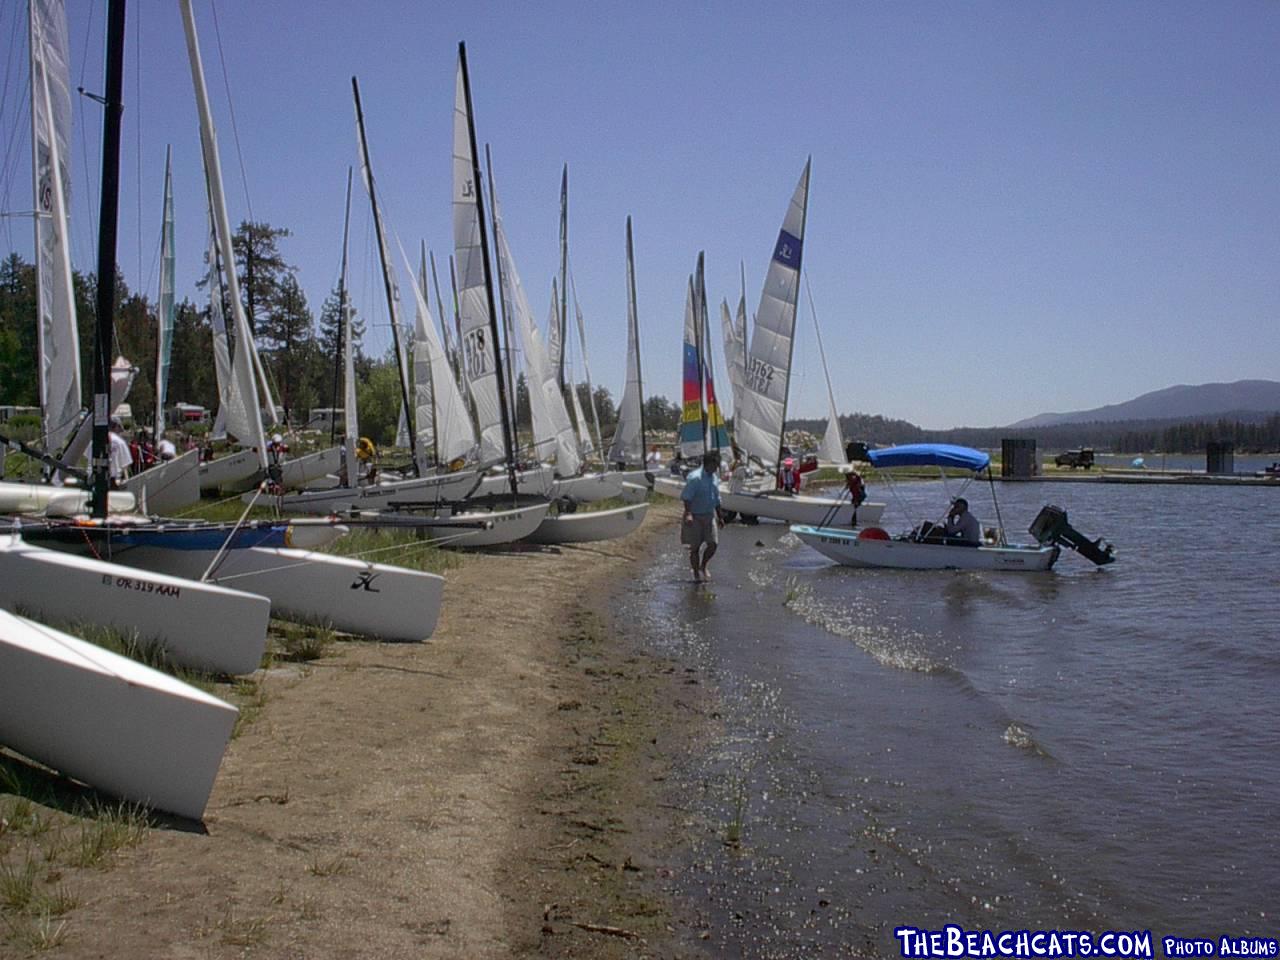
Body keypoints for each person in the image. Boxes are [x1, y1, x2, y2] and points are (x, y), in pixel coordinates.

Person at [680, 451, 723, 582]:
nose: (717, 468)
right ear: (708, 464)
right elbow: (687, 497)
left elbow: (716, 498)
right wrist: (688, 514)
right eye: (715, 465)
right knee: (695, 547)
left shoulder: (714, 477)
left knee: (713, 544)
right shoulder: (695, 478)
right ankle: (696, 574)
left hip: (709, 515)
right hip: (695, 516)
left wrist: (720, 516)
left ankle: (703, 566)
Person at [107, 418, 132, 488]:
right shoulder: (120, 442)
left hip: (95, 478)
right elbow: (125, 465)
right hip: (114, 480)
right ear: (116, 427)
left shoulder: (96, 440)